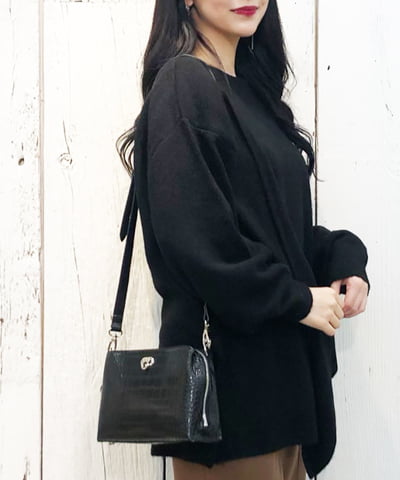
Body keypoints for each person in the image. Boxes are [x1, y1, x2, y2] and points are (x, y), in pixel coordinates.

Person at [116, 1, 370, 479]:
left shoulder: (254, 98)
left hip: (285, 403)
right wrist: (299, 299)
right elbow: (200, 246)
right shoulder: (182, 85)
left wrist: (343, 259)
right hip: (227, 412)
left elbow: (282, 236)